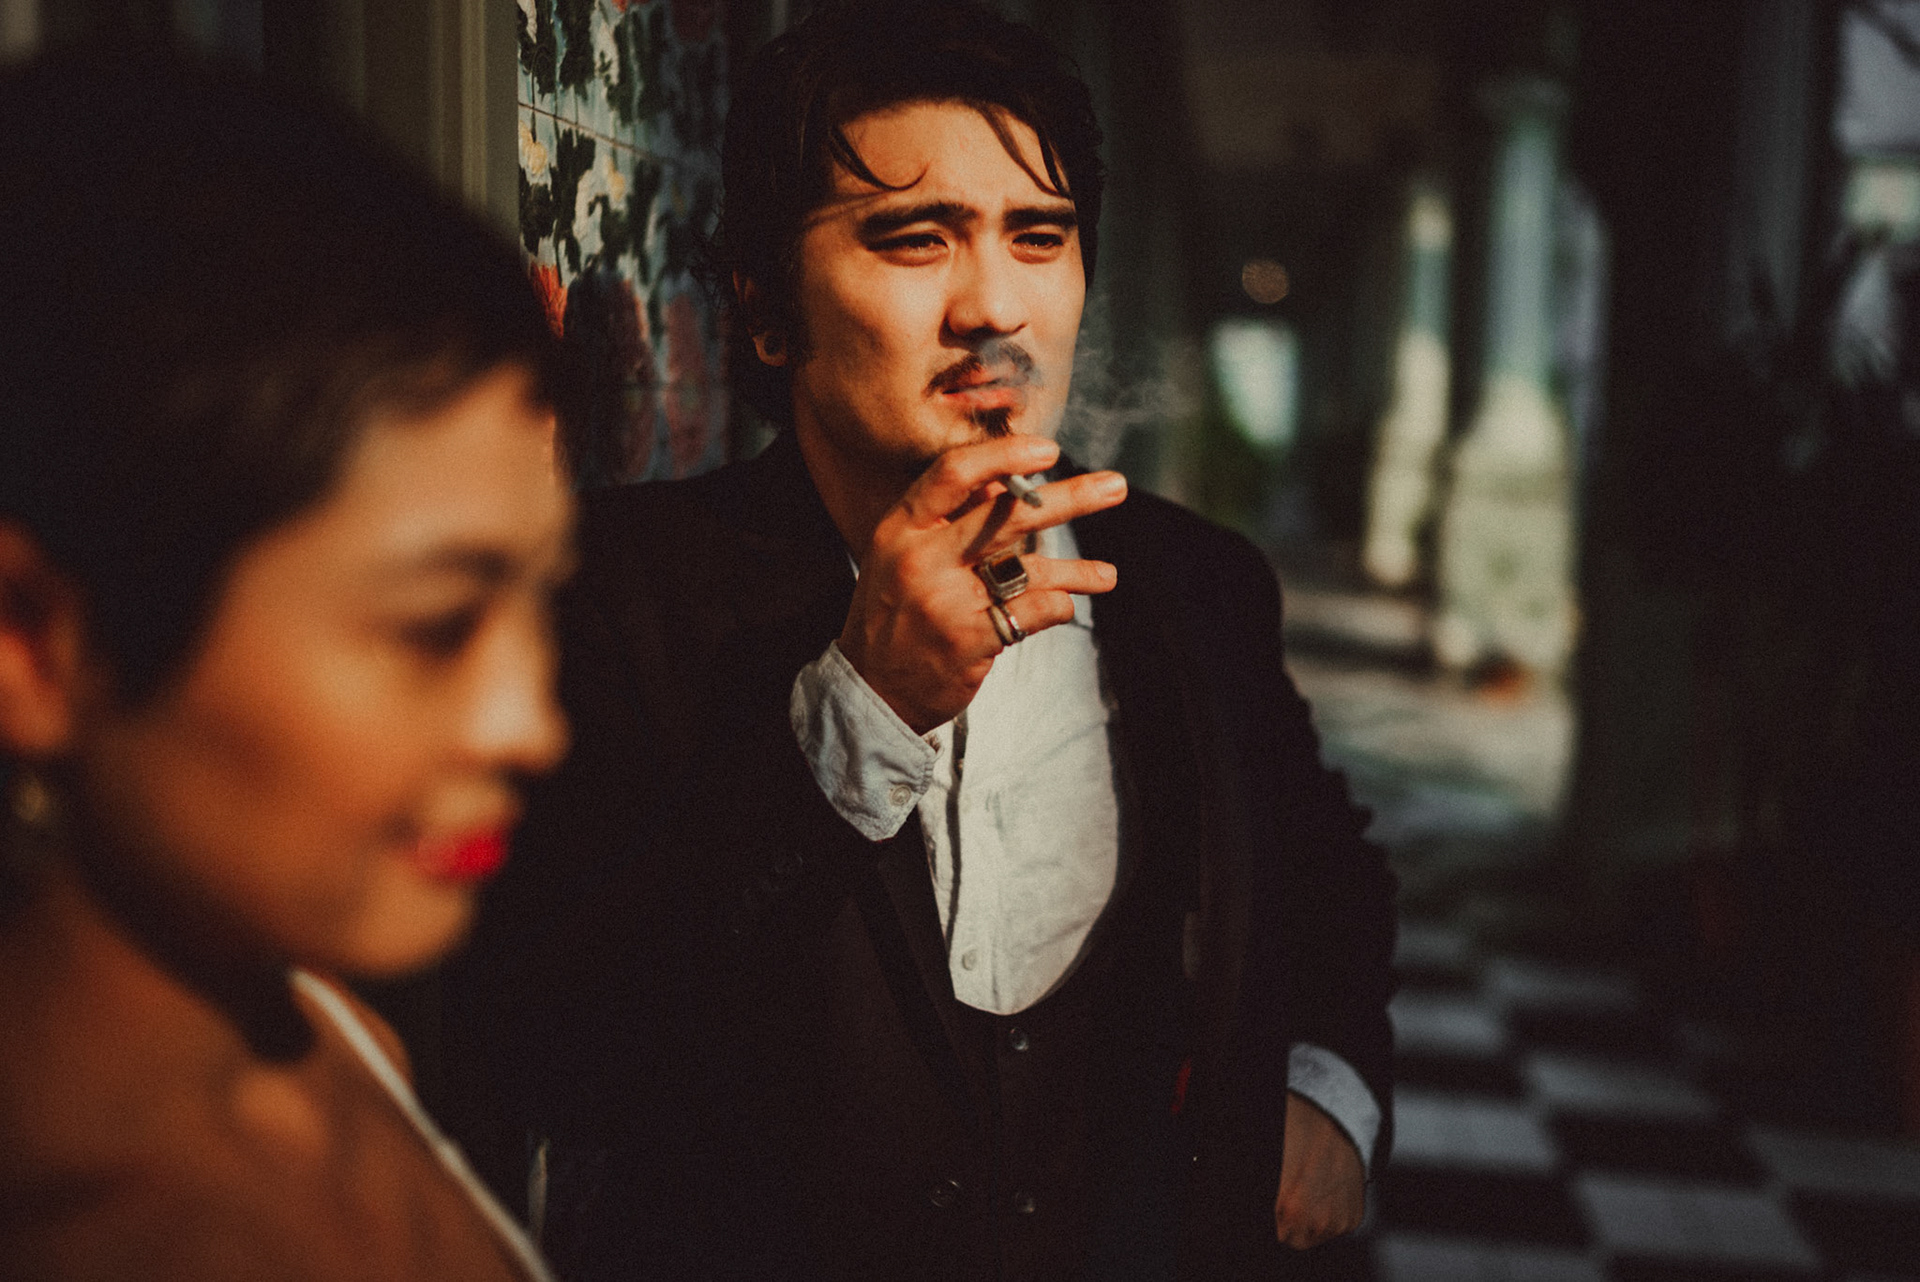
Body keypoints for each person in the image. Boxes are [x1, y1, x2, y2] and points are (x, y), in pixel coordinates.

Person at [450, 2, 1397, 1278]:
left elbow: (1320, 868)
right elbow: (554, 1045)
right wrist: (862, 711)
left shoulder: (1193, 587)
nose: (992, 304)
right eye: (912, 239)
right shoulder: (619, 594)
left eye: (1040, 237)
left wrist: (1330, 1081)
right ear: (766, 304)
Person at [0, 48, 573, 1280]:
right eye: (435, 625)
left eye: (542, 602)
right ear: (37, 641)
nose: (532, 726)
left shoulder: (340, 1036)